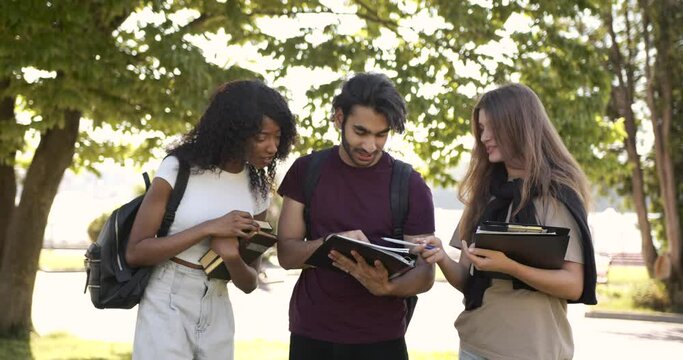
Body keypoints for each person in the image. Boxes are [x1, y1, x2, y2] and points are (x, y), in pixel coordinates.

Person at [415, 83, 597, 360]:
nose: (484, 137)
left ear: (518, 126)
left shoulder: (556, 197)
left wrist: (510, 267)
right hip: (474, 346)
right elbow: (467, 279)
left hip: (531, 351)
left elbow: (574, 284)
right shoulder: (484, 197)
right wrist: (441, 257)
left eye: (491, 127)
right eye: (481, 128)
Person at [125, 79, 297, 359]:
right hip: (167, 295)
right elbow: (136, 251)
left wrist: (230, 257)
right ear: (234, 131)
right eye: (261, 137)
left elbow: (250, 282)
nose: (272, 147)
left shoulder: (258, 190)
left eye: (278, 137)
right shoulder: (178, 168)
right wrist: (209, 228)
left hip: (217, 301)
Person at [276, 72, 436, 360]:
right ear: (339, 118)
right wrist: (331, 242)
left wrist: (387, 286)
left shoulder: (410, 184)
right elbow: (286, 254)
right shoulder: (306, 171)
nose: (370, 146)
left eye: (381, 134)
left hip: (381, 338)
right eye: (360, 132)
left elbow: (425, 273)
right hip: (312, 333)